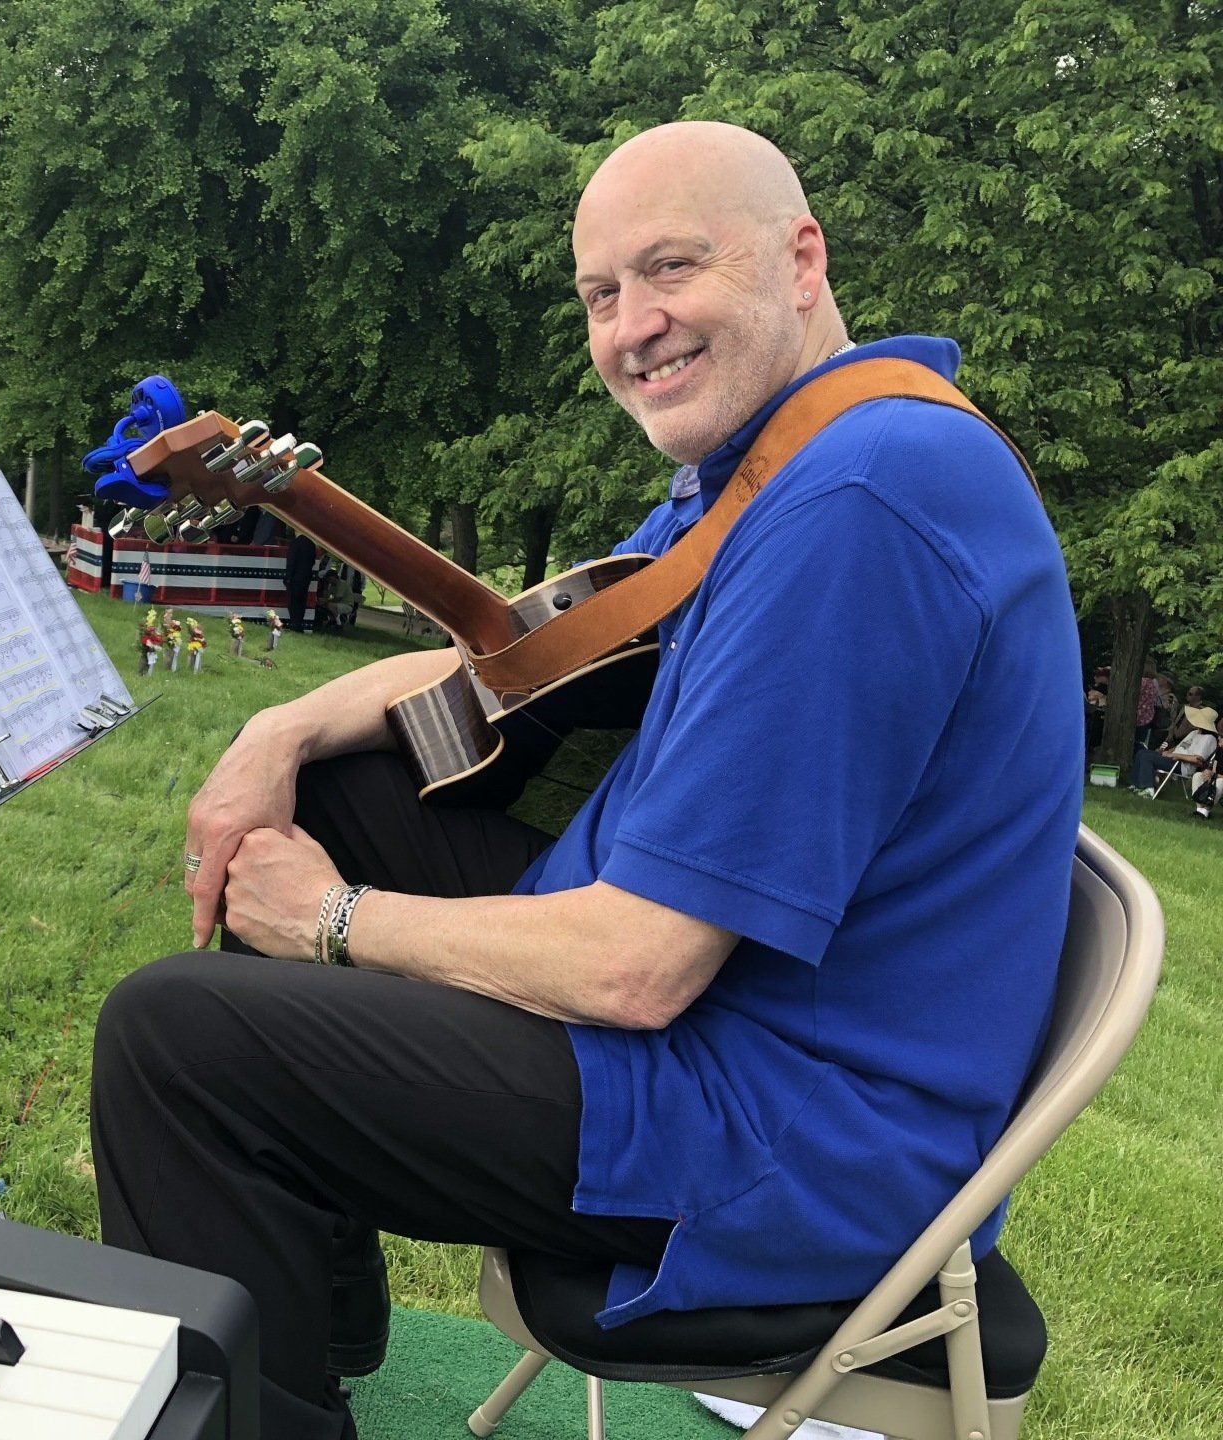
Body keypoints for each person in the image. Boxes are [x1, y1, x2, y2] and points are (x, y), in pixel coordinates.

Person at [88, 121, 1083, 1440]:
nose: (633, 328)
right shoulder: (775, 457)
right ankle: (312, 1334)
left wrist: (330, 925)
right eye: (602, 294)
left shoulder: (861, 499)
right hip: (737, 1013)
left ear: (802, 258)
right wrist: (276, 734)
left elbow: (639, 970)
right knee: (329, 800)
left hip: (789, 1129)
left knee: (177, 1045)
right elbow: (522, 656)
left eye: (671, 268)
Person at [1131, 717, 1216, 796]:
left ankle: (1148, 789)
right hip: (1173, 758)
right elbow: (1180, 747)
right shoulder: (1194, 732)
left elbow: (1197, 759)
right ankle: (1137, 785)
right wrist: (1167, 751)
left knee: (1147, 757)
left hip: (1182, 765)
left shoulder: (1209, 738)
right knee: (1142, 753)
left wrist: (1174, 755)